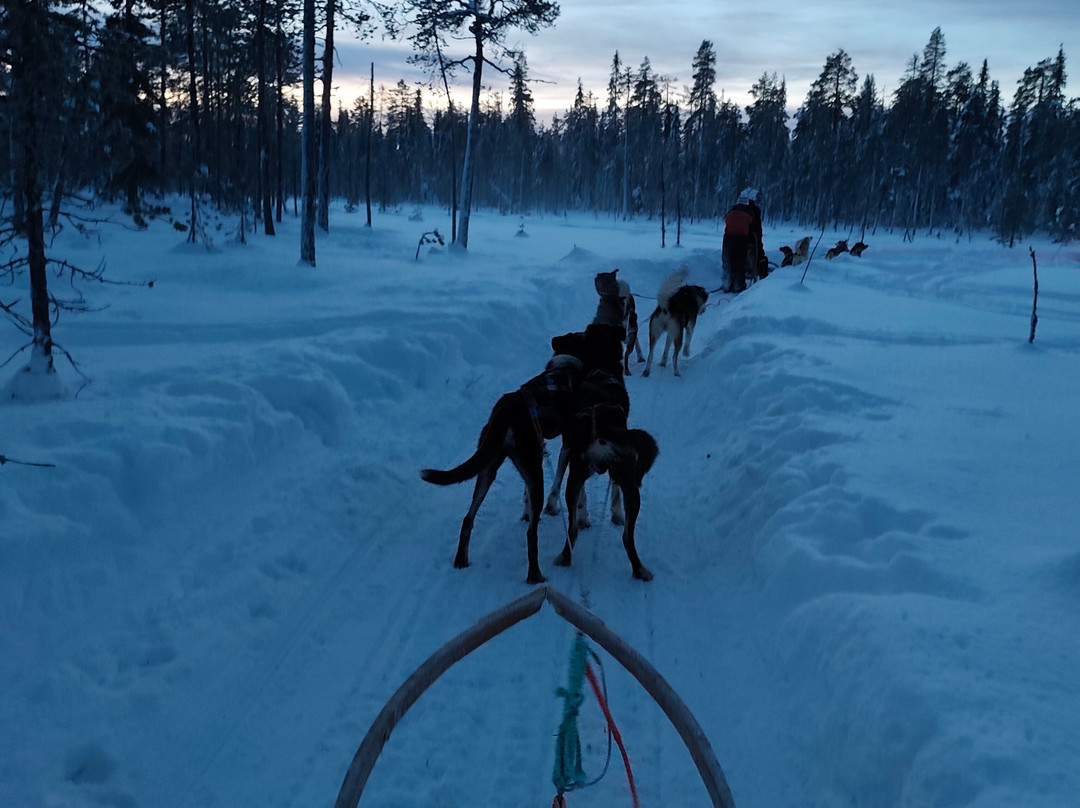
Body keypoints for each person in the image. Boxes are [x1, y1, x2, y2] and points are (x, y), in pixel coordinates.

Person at [722, 188, 768, 293]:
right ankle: (738, 285)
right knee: (739, 262)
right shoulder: (752, 212)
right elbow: (756, 231)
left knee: (727, 261)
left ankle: (727, 283)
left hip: (727, 237)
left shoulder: (732, 210)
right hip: (741, 237)